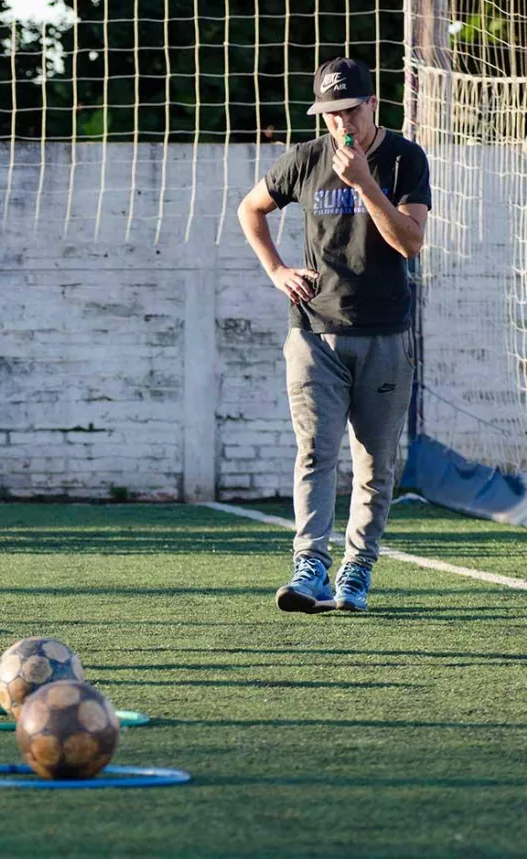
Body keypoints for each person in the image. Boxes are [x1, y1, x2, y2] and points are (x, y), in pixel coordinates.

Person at [237, 57, 431, 613]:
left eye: (350, 110)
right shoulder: (303, 160)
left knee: (375, 463)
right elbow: (251, 209)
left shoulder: (404, 158)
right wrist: (276, 271)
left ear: (374, 105)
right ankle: (310, 567)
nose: (341, 123)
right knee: (315, 452)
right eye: (329, 113)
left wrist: (366, 182)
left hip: (385, 336)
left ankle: (357, 572)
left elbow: (410, 243)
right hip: (313, 334)